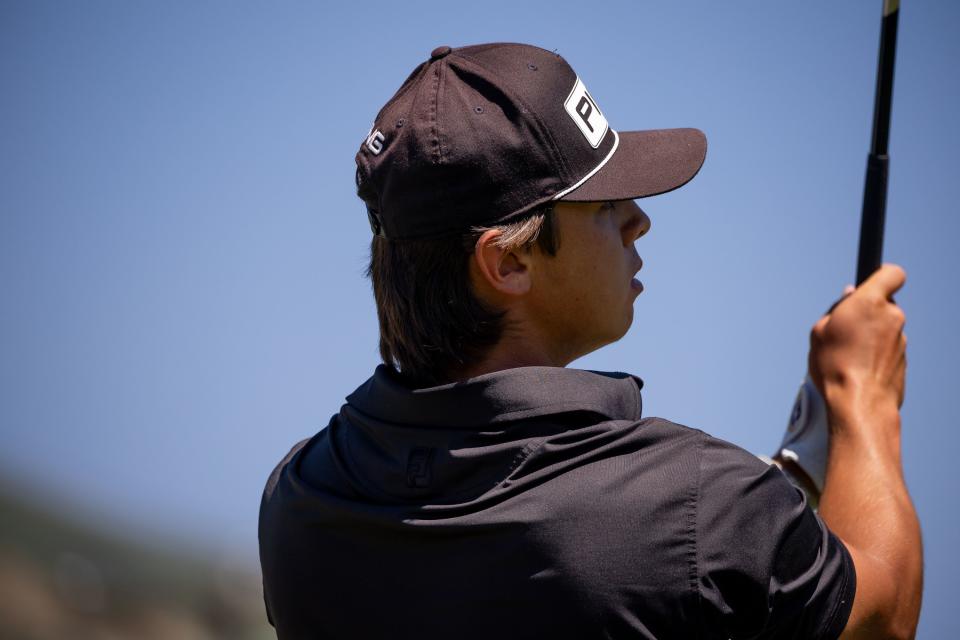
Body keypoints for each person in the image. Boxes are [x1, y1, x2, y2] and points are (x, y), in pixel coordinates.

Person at [258, 43, 922, 639]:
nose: (640, 220)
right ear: (509, 263)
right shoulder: (705, 509)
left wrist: (778, 498)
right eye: (604, 204)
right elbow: (882, 618)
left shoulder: (298, 497)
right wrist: (859, 397)